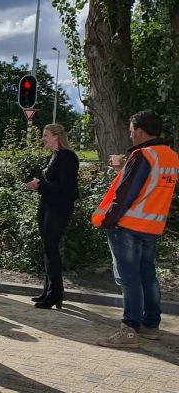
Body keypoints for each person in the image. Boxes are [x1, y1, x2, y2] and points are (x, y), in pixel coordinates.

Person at [92, 110, 178, 348]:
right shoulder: (171, 156)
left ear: (139, 131)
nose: (130, 135)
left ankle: (129, 330)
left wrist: (109, 220)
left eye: (131, 131)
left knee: (128, 278)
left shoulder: (143, 156)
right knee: (147, 276)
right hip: (153, 225)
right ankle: (151, 326)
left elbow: (126, 193)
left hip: (128, 226)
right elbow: (150, 188)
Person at [24, 123, 79, 309]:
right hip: (47, 206)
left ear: (57, 136)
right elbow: (52, 181)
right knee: (48, 248)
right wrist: (38, 183)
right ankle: (49, 291)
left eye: (46, 135)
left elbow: (65, 188)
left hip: (59, 208)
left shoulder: (68, 157)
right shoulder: (54, 156)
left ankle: (55, 294)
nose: (43, 138)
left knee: (51, 249)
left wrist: (40, 186)